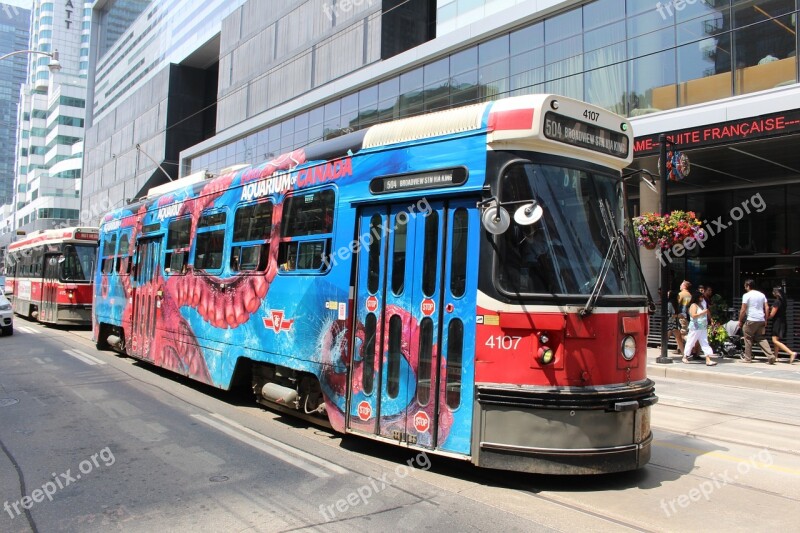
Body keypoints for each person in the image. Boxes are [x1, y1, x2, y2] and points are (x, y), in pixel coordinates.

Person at [737, 279, 776, 364]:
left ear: (748, 286)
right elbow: (767, 307)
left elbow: (743, 309)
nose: (745, 288)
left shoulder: (746, 295)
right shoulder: (762, 295)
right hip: (761, 319)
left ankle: (748, 358)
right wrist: (765, 319)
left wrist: (740, 320)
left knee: (748, 338)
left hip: (751, 319)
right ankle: (770, 356)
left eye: (745, 286)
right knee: (761, 338)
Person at [683, 291, 717, 366]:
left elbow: (707, 312)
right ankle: (685, 356)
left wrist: (710, 319)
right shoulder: (693, 305)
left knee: (704, 341)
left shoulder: (702, 305)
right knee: (691, 341)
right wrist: (702, 313)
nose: (702, 298)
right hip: (695, 327)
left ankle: (708, 359)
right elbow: (693, 315)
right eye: (701, 296)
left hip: (703, 326)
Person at [769, 286, 796, 364]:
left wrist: (767, 316)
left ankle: (791, 353)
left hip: (777, 322)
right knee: (776, 340)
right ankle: (776, 356)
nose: (772, 293)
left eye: (773, 292)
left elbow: (772, 314)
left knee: (774, 340)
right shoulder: (784, 301)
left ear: (776, 293)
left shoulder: (776, 302)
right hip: (782, 321)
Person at [666, 290, 686, 355]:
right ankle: (683, 353)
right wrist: (678, 315)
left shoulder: (673, 303)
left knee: (678, 338)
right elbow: (668, 315)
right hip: (670, 323)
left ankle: (683, 353)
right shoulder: (670, 304)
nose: (679, 297)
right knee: (676, 338)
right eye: (678, 296)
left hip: (673, 323)